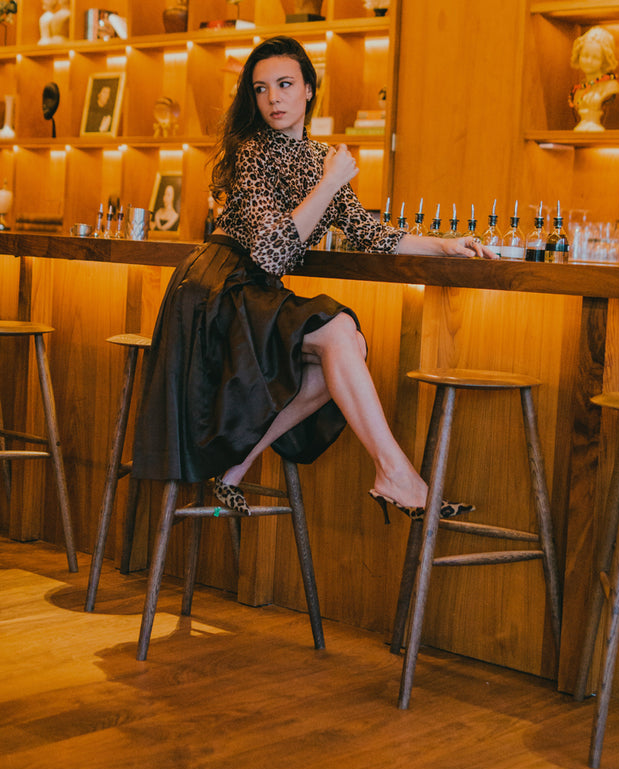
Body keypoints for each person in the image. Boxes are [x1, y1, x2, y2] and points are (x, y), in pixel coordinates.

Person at [132, 35, 496, 522]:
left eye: (285, 85)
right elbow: (273, 252)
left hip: (255, 291)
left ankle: (242, 467)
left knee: (344, 349)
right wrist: (329, 182)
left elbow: (370, 233)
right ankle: (396, 474)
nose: (273, 98)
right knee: (340, 333)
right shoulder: (251, 152)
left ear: (308, 89)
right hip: (218, 288)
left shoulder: (321, 157)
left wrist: (444, 246)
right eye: (261, 89)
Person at [569, 26, 619, 131]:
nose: (589, 61)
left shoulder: (611, 86)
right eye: (585, 55)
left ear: (604, 59)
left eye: (595, 57)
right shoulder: (579, 88)